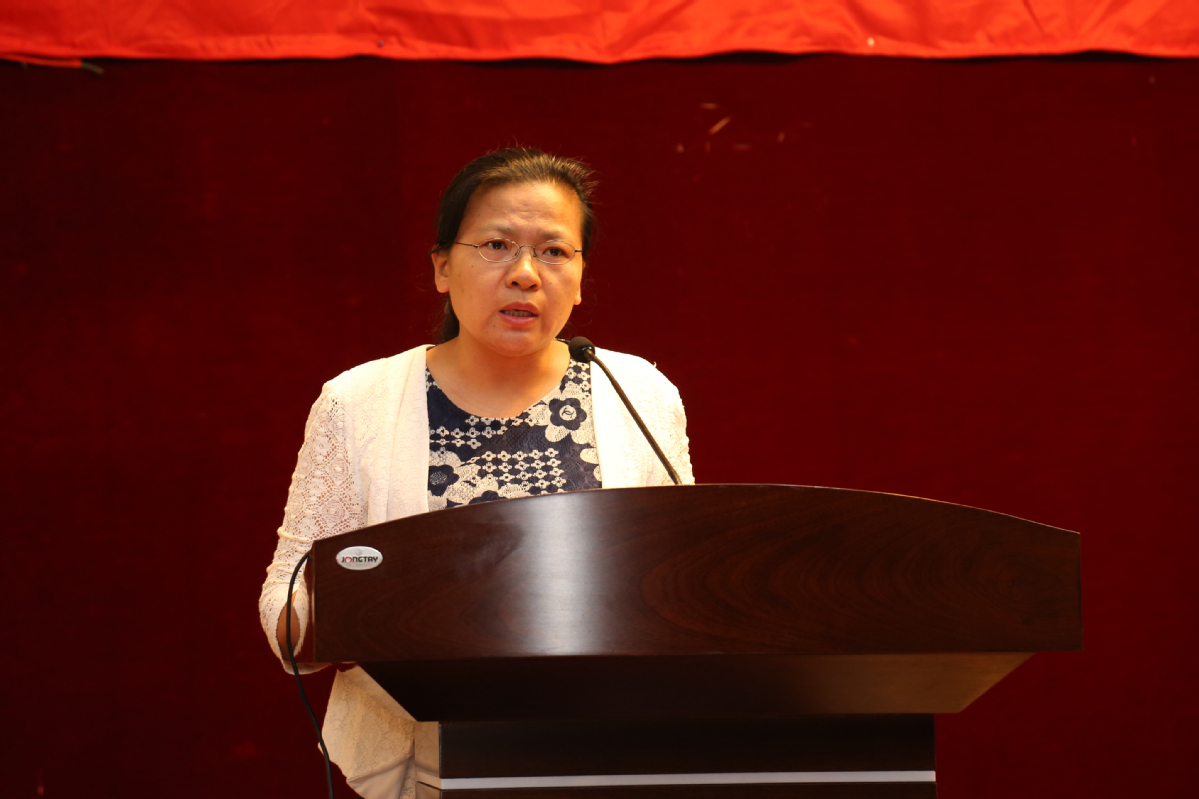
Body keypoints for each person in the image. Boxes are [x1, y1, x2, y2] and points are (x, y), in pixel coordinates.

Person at [258, 148, 694, 799]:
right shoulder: (358, 402)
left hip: (607, 756)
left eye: (554, 251)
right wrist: (351, 613)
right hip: (426, 766)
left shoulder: (638, 392)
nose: (524, 274)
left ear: (580, 277)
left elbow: (680, 582)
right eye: (496, 245)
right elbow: (285, 598)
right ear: (441, 266)